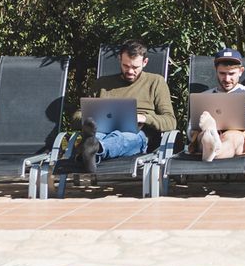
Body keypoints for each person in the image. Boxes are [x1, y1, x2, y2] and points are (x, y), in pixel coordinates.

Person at [69, 40, 176, 172]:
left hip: (136, 133)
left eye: (135, 67)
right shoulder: (102, 84)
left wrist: (144, 118)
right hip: (102, 130)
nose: (130, 71)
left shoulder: (155, 82)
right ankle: (92, 148)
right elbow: (77, 115)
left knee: (122, 138)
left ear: (145, 62)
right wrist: (89, 120)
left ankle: (90, 151)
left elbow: (170, 121)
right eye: (126, 66)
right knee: (98, 136)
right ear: (120, 59)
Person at [192, 48, 245, 161]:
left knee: (232, 137)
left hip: (239, 133)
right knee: (203, 135)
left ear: (241, 71)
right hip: (208, 134)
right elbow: (191, 130)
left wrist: (238, 123)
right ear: (216, 71)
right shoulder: (205, 96)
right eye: (222, 73)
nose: (227, 79)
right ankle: (211, 142)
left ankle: (213, 150)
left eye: (231, 74)